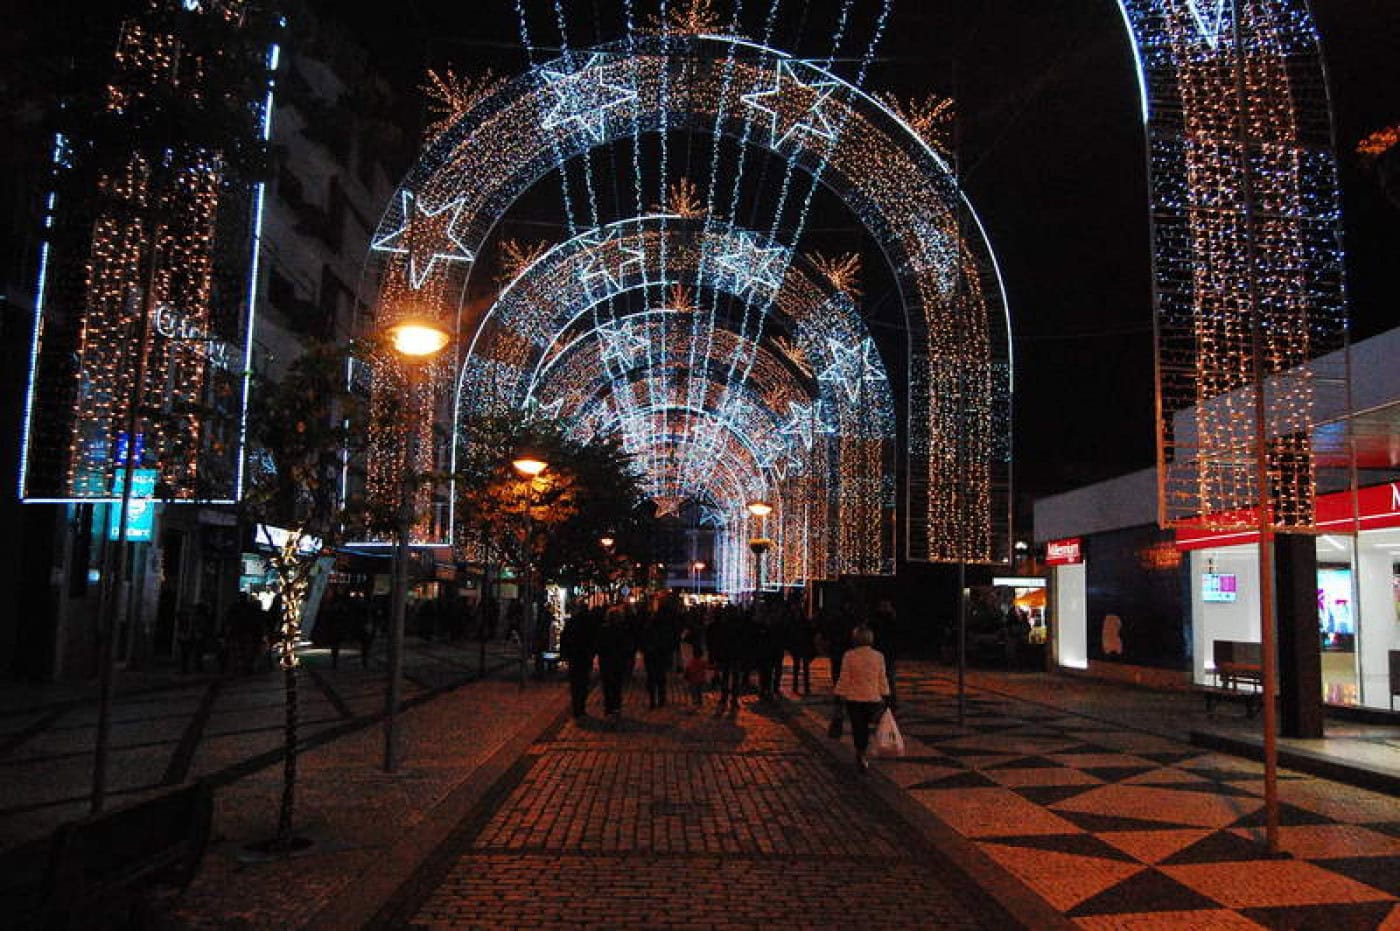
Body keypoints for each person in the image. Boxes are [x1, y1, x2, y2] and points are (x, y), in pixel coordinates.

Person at [832, 625, 890, 773]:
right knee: (870, 726)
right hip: (873, 698)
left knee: (858, 727)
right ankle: (865, 750)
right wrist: (885, 694)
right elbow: (882, 677)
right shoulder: (878, 656)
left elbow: (845, 677)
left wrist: (839, 694)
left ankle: (861, 752)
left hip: (854, 698)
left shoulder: (849, 656)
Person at [560, 607, 599, 718]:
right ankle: (581, 706)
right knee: (584, 682)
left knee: (575, 683)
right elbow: (593, 640)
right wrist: (592, 653)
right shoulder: (589, 624)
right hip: (585, 657)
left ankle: (576, 706)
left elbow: (564, 638)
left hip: (574, 657)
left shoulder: (571, 623)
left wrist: (564, 653)